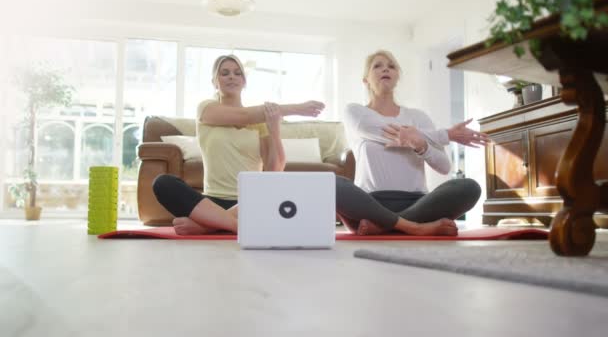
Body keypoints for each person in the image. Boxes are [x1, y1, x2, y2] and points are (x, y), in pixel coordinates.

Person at [152, 55, 324, 235]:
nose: (231, 77)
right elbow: (244, 116)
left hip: (251, 201)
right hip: (211, 203)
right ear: (215, 82)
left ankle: (208, 225)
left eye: (237, 73)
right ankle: (237, 225)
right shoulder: (206, 109)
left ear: (244, 81)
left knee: (287, 190)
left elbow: (275, 170)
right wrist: (296, 108)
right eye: (224, 73)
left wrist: (274, 131)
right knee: (163, 183)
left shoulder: (260, 122)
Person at [335, 50, 489, 236]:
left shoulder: (418, 117)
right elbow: (391, 133)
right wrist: (446, 134)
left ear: (397, 76)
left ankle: (386, 226)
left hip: (417, 205)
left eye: (391, 66)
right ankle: (413, 227)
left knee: (469, 187)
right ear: (365, 80)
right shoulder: (356, 112)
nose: (386, 69)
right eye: (378, 66)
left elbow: (444, 166)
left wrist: (421, 145)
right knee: (332, 183)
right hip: (369, 207)